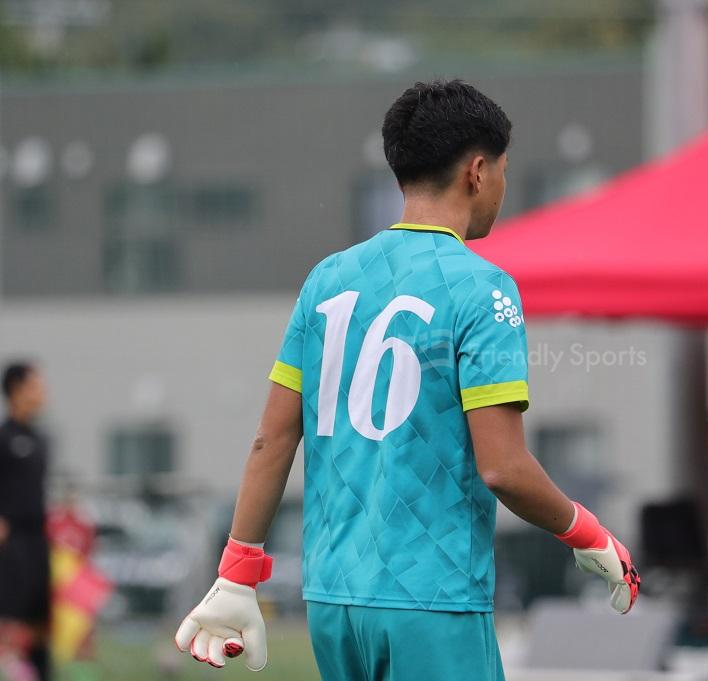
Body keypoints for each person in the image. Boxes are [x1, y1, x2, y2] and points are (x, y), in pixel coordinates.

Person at [174, 80, 640, 680]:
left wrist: (238, 570)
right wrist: (591, 535)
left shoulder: (327, 279)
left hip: (333, 602)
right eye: (503, 170)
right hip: (433, 597)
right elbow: (503, 468)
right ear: (478, 172)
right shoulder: (485, 288)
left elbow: (272, 439)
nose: (502, 188)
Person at [0, 362, 51, 681]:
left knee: (40, 621)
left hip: (38, 540)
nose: (43, 392)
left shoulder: (41, 439)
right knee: (12, 621)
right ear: (17, 390)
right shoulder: (4, 437)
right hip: (12, 541)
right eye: (35, 385)